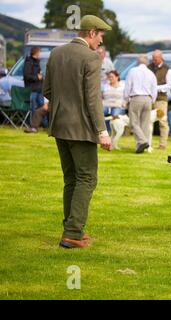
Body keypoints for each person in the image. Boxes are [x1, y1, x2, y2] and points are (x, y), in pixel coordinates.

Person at [43, 15, 112, 249]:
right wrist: (102, 131)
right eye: (101, 36)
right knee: (87, 178)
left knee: (71, 179)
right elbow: (93, 101)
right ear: (91, 33)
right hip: (81, 129)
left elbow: (48, 90)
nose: (101, 42)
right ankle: (72, 233)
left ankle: (72, 228)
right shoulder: (91, 58)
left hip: (59, 125)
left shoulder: (56, 53)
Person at [124, 54, 158, 153]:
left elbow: (128, 86)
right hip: (148, 98)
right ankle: (141, 146)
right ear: (147, 63)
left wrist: (126, 99)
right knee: (145, 124)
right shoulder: (151, 73)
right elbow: (154, 89)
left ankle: (143, 141)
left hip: (136, 97)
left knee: (133, 123)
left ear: (138, 62)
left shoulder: (132, 71)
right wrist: (152, 100)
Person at [148, 50, 171, 149]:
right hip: (149, 99)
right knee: (148, 121)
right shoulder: (148, 67)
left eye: (156, 58)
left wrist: (156, 88)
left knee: (162, 122)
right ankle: (147, 143)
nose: (154, 60)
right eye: (153, 58)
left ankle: (162, 144)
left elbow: (169, 85)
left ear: (161, 58)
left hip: (161, 99)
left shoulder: (167, 69)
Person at [23, 46, 48, 133]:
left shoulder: (38, 62)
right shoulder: (28, 63)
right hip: (32, 89)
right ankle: (33, 126)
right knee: (33, 108)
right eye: (39, 52)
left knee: (43, 108)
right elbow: (26, 76)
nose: (40, 54)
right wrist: (37, 77)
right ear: (36, 53)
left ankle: (46, 125)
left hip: (39, 89)